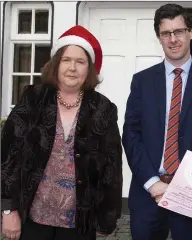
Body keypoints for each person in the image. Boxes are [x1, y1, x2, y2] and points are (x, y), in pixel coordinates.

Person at [1, 25, 123, 240]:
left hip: (80, 223)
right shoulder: (32, 99)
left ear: (90, 69)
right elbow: (8, 156)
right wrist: (8, 209)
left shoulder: (103, 109)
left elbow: (111, 167)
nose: (72, 68)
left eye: (80, 62)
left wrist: (106, 219)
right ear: (56, 65)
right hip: (32, 217)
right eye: (66, 60)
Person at [122, 3, 192, 240]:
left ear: (191, 32)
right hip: (148, 192)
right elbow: (131, 135)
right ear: (159, 37)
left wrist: (185, 182)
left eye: (178, 31)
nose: (173, 39)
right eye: (166, 33)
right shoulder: (142, 81)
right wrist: (152, 182)